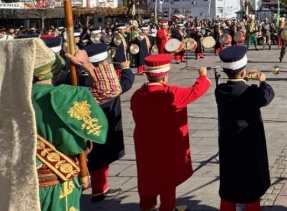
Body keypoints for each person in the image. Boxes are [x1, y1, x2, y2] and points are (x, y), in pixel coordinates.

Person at [1, 38, 109, 211]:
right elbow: (109, 89)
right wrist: (86, 64)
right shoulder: (62, 96)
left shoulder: (8, 97)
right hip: (56, 181)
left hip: (18, 183)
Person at [131, 54, 211, 211]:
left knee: (147, 173)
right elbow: (196, 91)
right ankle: (168, 207)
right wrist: (202, 76)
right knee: (167, 177)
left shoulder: (137, 95)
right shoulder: (171, 94)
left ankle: (147, 205)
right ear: (164, 77)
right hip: (167, 143)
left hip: (145, 144)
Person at [216, 46, 274, 211]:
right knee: (251, 188)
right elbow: (267, 96)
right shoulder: (251, 92)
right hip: (249, 144)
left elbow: (235, 89)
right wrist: (263, 81)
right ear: (243, 71)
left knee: (229, 185)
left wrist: (242, 80)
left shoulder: (220, 91)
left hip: (229, 143)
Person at [82, 43, 137, 203]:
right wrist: (127, 70)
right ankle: (98, 191)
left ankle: (102, 188)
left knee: (98, 157)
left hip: (87, 123)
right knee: (100, 157)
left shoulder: (78, 77)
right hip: (103, 122)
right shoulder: (103, 82)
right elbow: (124, 85)